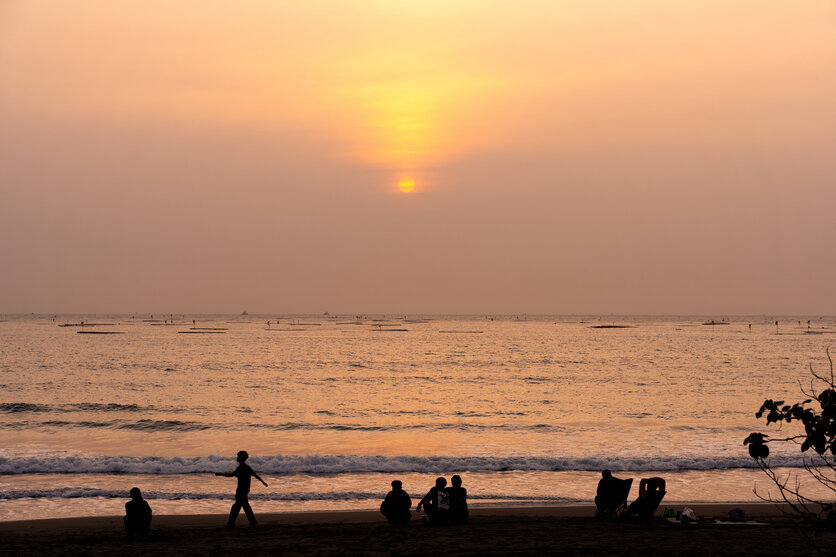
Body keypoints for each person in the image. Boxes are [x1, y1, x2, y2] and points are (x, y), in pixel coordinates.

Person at [216, 450, 268, 527]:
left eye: (238, 457)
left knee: (237, 507)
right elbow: (255, 475)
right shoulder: (247, 467)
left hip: (241, 490)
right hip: (246, 489)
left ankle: (232, 523)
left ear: (240, 458)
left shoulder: (240, 468)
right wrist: (263, 482)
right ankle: (252, 522)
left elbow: (231, 475)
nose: (237, 458)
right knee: (244, 506)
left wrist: (220, 474)